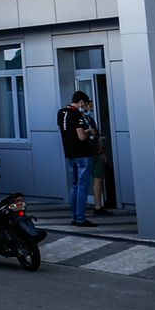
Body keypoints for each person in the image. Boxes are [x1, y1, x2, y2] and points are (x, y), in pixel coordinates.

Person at [57, 92, 96, 226]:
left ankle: (75, 217)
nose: (84, 106)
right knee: (83, 187)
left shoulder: (61, 113)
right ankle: (80, 218)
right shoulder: (76, 114)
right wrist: (89, 131)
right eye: (84, 104)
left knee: (74, 185)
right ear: (80, 102)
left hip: (70, 153)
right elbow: (81, 136)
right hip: (82, 154)